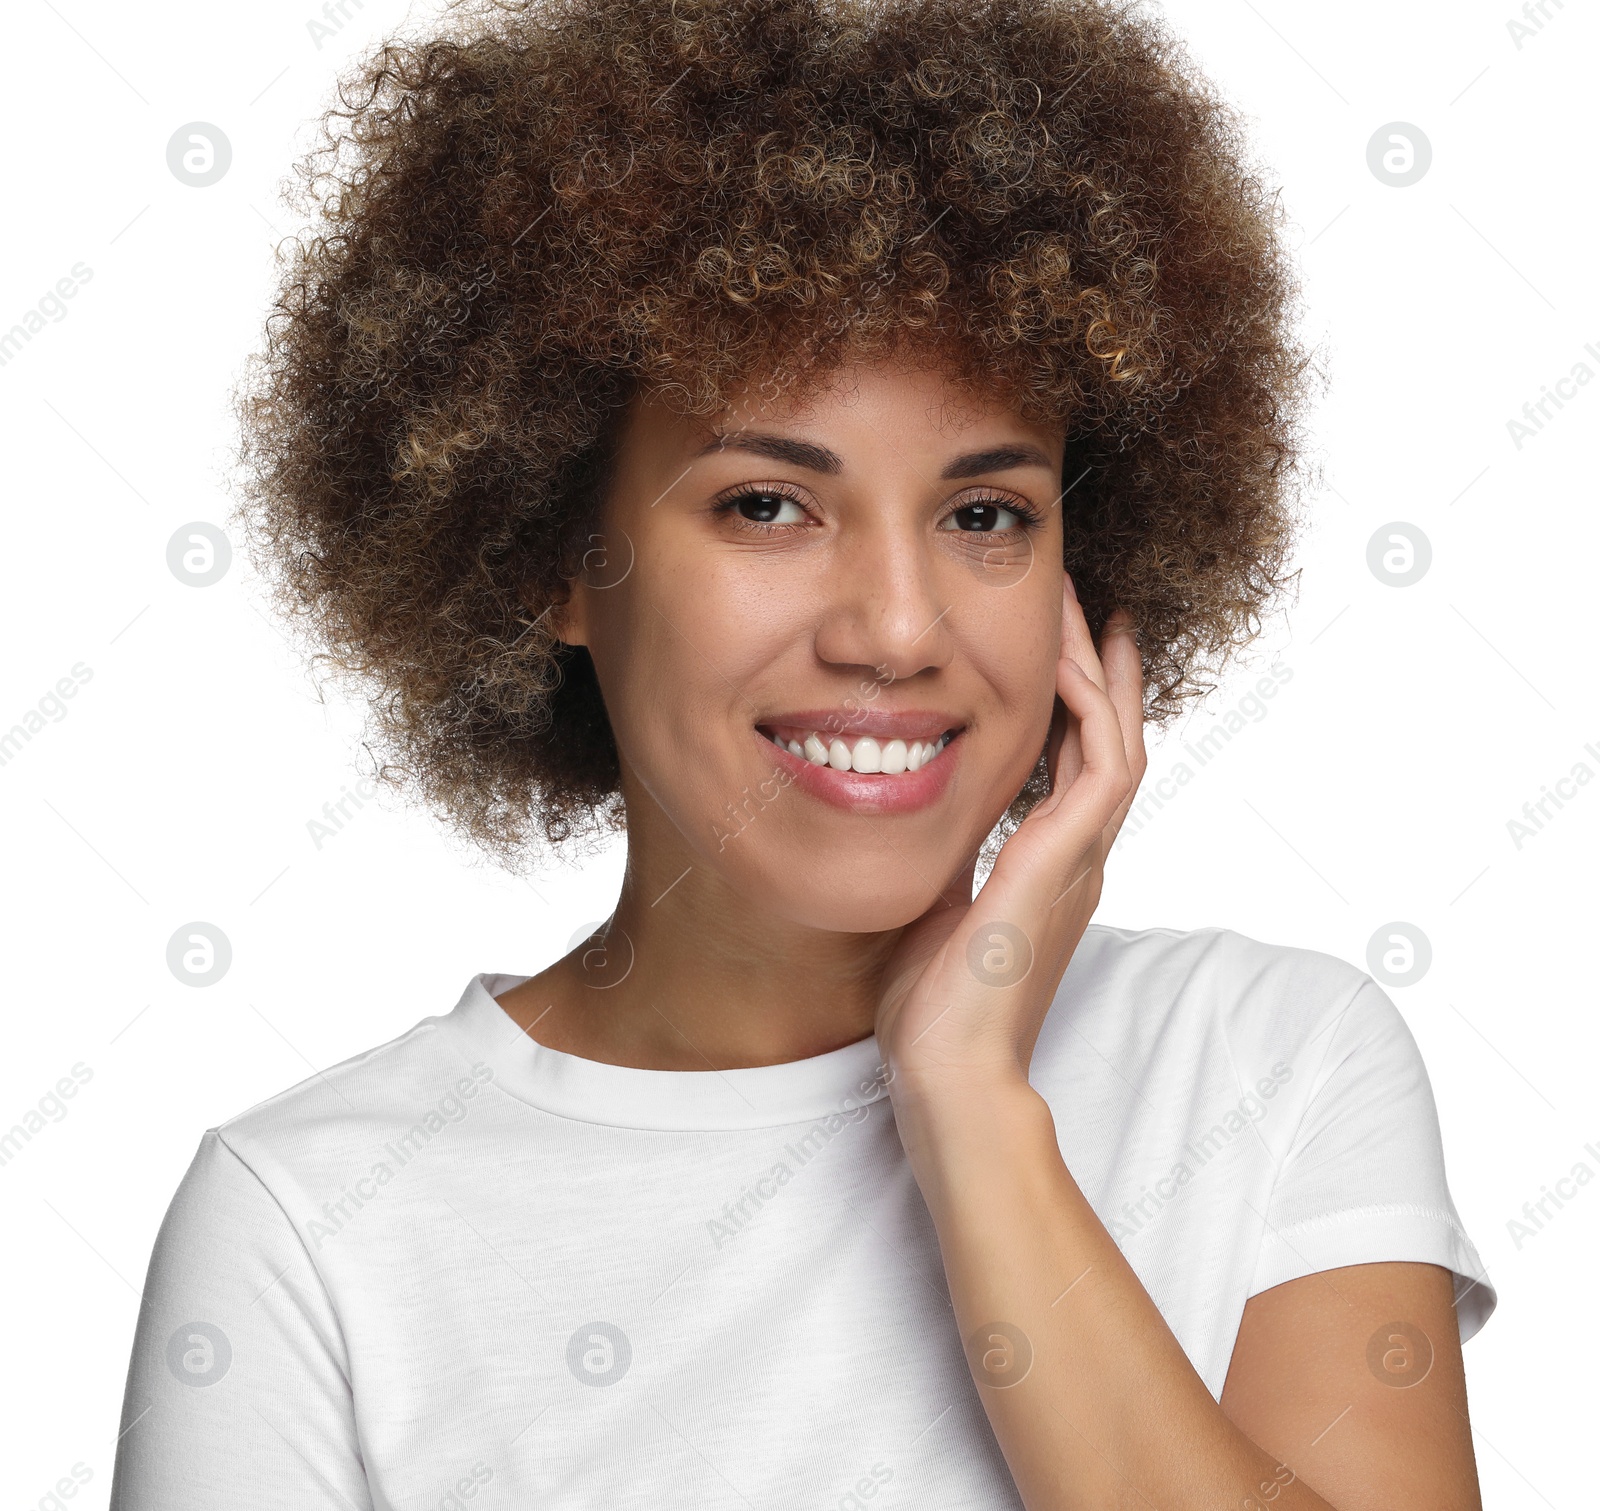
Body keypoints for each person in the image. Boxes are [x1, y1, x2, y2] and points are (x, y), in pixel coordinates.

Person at [109, 0, 1495, 1506]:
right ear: (551, 556)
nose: (897, 630)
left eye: (985, 515)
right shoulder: (311, 1225)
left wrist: (967, 1096)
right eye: (767, 504)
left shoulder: (1267, 1062)